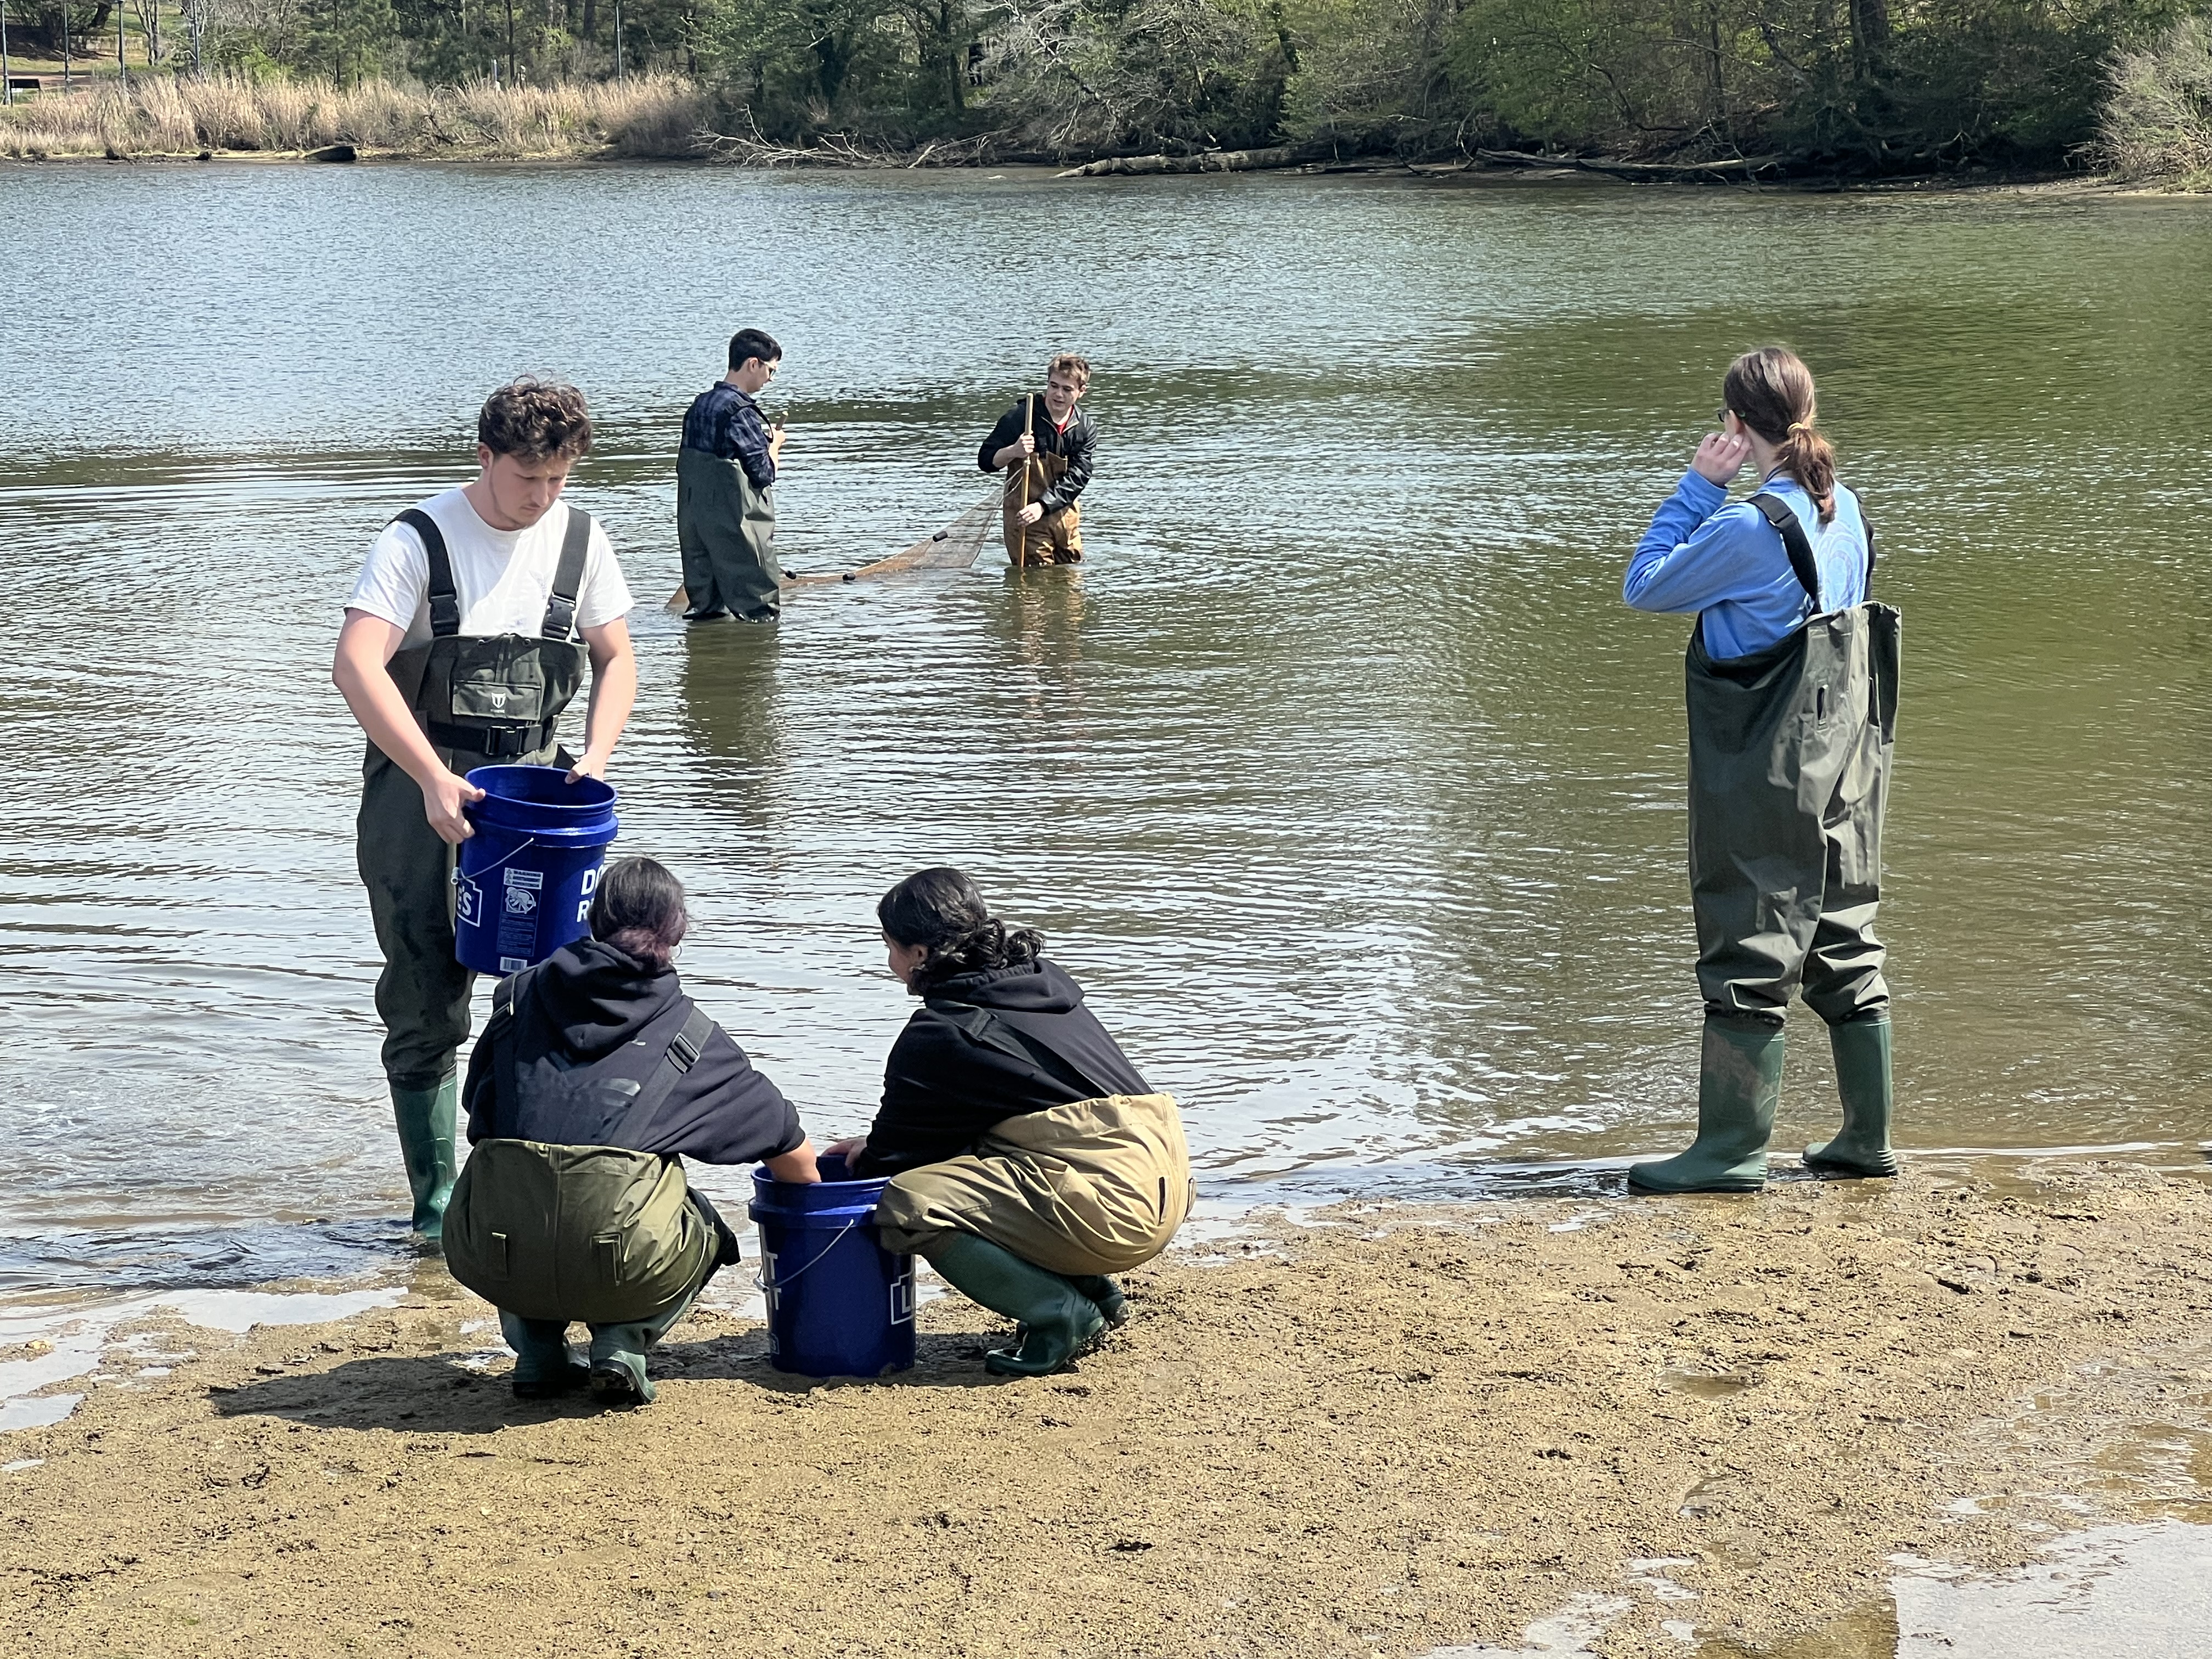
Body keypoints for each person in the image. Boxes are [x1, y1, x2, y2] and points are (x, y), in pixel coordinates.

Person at [332, 378, 638, 1243]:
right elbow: (356, 665)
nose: (542, 498)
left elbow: (617, 660)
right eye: (525, 480)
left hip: (538, 796)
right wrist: (432, 776)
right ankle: (436, 1212)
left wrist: (596, 760)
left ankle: (530, 1188)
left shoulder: (581, 540)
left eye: (558, 479)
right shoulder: (416, 541)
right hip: (419, 793)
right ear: (485, 459)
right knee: (426, 995)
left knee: (555, 993)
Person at [1620, 346, 1902, 1194]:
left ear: (1736, 426)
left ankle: (1731, 1151)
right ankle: (1865, 1138)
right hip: (1848, 755)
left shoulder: (1749, 527)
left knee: (1747, 933)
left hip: (1767, 759)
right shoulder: (1844, 509)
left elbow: (1645, 586)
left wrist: (1699, 487)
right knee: (1844, 927)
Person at [445, 857, 821, 1405]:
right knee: (707, 1226)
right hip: (620, 1264)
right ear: (677, 933)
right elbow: (794, 1156)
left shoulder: (513, 999)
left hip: (492, 1252)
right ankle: (624, 1340)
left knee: (519, 1189)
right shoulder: (691, 1036)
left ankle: (538, 1351)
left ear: (593, 919)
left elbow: (480, 1112)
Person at [824, 868, 1193, 1376]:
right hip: (1163, 1179)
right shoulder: (1039, 982)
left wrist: (863, 1154)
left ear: (920, 954)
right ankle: (1093, 1289)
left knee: (910, 1203)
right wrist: (884, 1142)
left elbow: (897, 1158)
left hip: (1114, 1211)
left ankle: (1059, 1315)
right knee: (984, 1157)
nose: (890, 963)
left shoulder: (941, 1033)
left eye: (890, 947)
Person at [677, 328, 788, 623]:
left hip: (697, 526)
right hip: (737, 526)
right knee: (761, 613)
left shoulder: (699, 405)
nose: (771, 379)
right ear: (754, 364)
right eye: (771, 370)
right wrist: (774, 444)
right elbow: (763, 473)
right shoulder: (741, 412)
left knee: (708, 611)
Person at [978, 354, 1096, 568]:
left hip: (1065, 518)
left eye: (1067, 389)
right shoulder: (1021, 417)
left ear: (1081, 391)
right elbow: (986, 461)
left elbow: (1079, 477)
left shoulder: (1084, 427)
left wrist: (1042, 506)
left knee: (1071, 584)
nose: (1058, 394)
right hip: (1025, 519)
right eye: (1053, 386)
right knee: (1035, 584)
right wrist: (1013, 451)